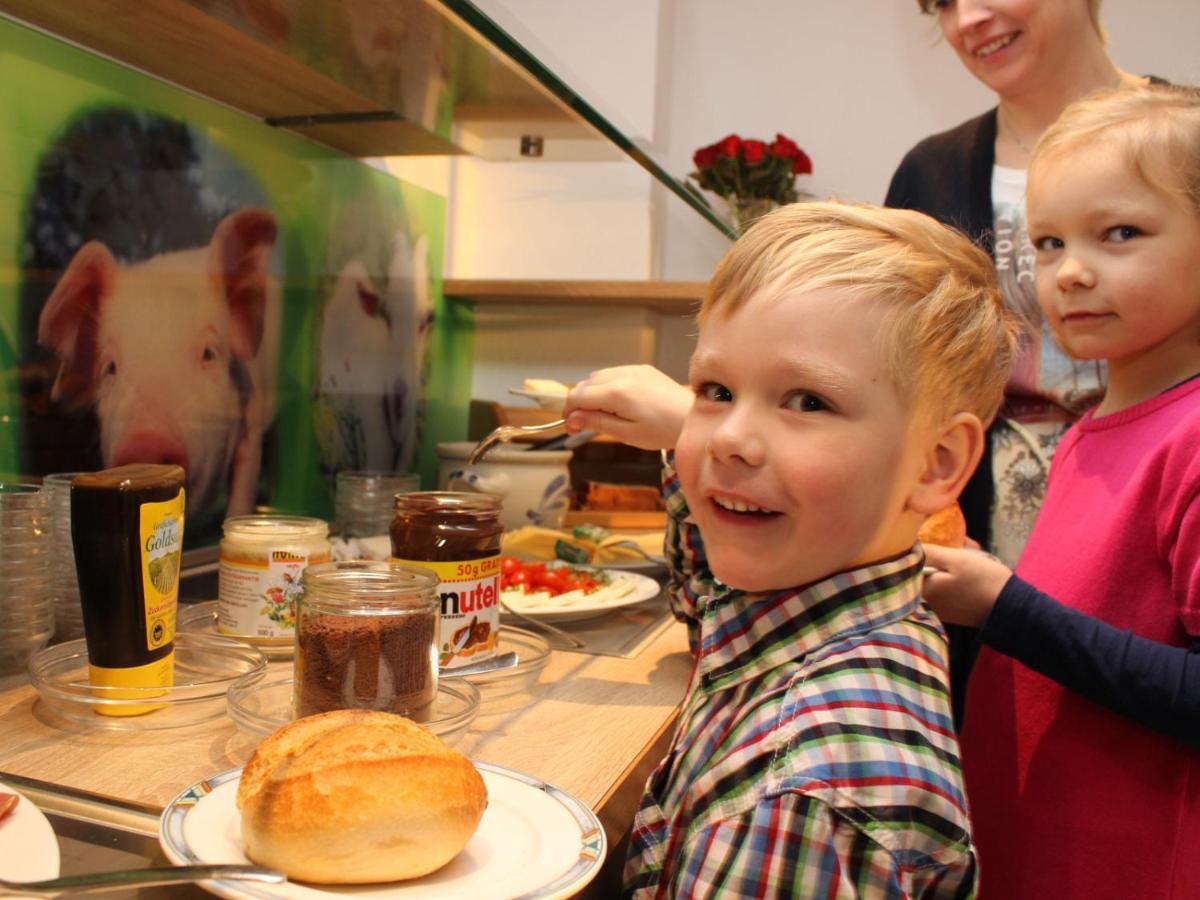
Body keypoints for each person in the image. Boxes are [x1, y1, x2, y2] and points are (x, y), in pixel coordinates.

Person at [566, 201, 1017, 897]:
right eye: (715, 390)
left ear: (936, 464)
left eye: (807, 402)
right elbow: (709, 592)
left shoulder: (792, 805)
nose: (726, 438)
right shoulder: (837, 594)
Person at [922, 83, 1200, 898]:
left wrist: (1006, 609)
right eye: (1047, 243)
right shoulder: (1096, 423)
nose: (1072, 272)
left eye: (1120, 234)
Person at [885, 0, 1158, 722]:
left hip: (1151, 547)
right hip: (980, 555)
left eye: (1121, 232)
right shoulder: (932, 171)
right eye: (941, 2)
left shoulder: (1180, 136)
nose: (969, 17)